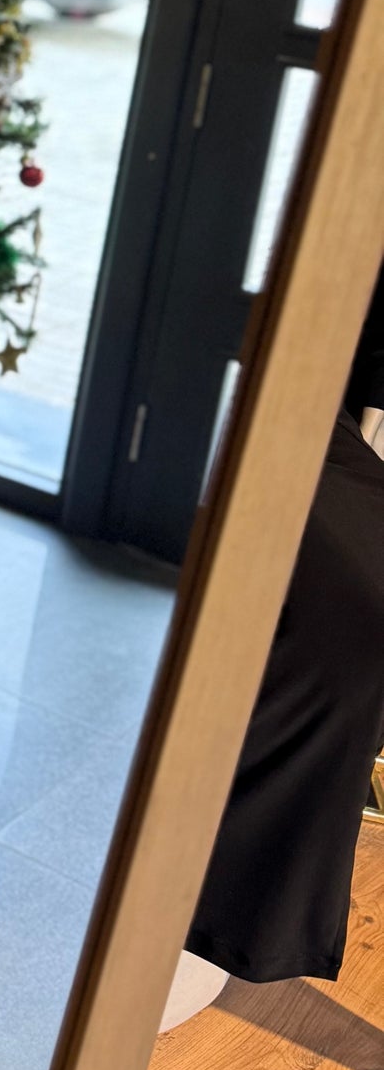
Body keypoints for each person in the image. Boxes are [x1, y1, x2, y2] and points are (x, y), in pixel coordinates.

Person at [182, 264, 384, 989]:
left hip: (302, 387)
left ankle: (241, 901)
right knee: (358, 620)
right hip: (216, 375)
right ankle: (217, 897)